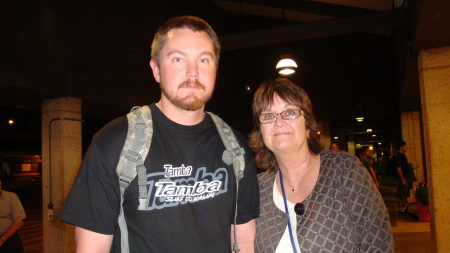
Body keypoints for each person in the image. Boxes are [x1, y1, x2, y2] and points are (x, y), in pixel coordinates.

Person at [58, 16, 259, 253]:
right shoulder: (115, 142)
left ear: (215, 69)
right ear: (156, 70)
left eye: (204, 60)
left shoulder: (235, 145)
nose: (192, 72)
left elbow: (244, 242)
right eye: (178, 59)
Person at [249, 78, 393, 252]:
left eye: (290, 112)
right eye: (269, 116)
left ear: (308, 126)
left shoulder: (345, 170)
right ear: (261, 131)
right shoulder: (256, 189)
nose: (279, 122)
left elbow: (378, 244)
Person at [0, 178, 26, 253]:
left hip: (8, 238)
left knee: (12, 246)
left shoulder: (10, 197)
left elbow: (19, 222)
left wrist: (2, 240)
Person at [394, 140, 411, 215]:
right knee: (401, 195)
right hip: (402, 178)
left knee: (404, 195)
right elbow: (398, 168)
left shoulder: (403, 155)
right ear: (401, 147)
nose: (406, 147)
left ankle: (404, 208)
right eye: (405, 146)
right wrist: (402, 179)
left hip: (405, 177)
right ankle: (402, 209)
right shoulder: (398, 156)